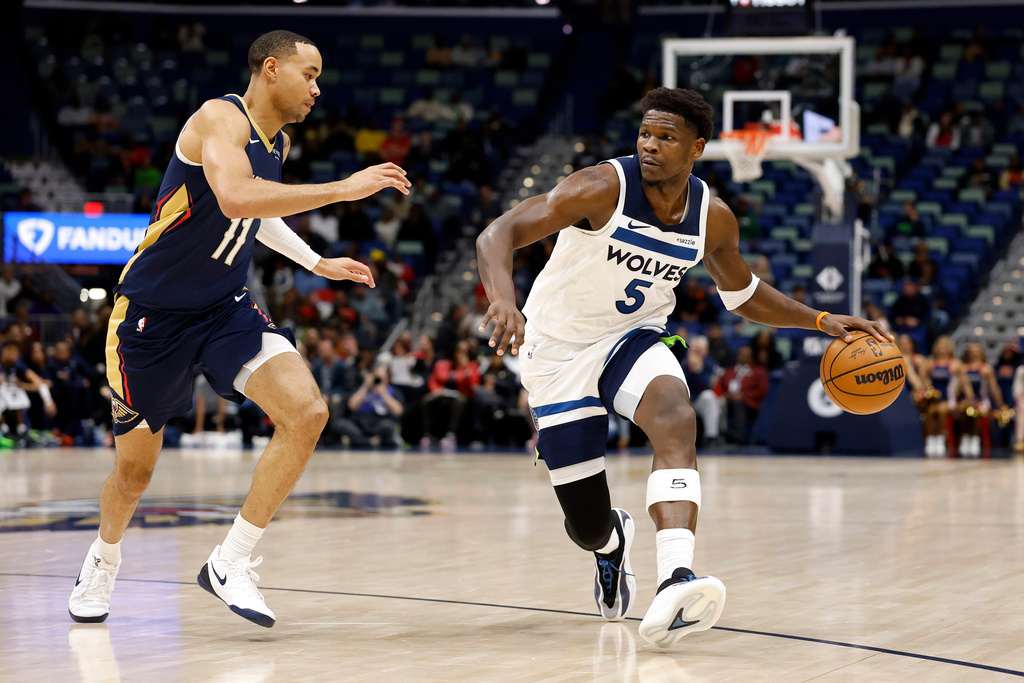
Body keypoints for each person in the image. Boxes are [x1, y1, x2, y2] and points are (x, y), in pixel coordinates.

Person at [475, 86, 889, 648]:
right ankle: (611, 547)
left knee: (675, 416)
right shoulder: (600, 186)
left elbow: (742, 294)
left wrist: (819, 320)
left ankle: (677, 575)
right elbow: (498, 232)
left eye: (666, 137)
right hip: (556, 351)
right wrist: (503, 298)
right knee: (586, 524)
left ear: (696, 148)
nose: (649, 145)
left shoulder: (712, 219)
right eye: (645, 133)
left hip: (632, 337)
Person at [68, 30, 411, 628]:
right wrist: (343, 189)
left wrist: (315, 263)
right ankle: (103, 557)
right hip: (151, 317)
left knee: (307, 412)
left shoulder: (274, 141)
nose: (317, 88)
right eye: (310, 74)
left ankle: (232, 559)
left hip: (224, 307)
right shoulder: (217, 119)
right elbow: (233, 197)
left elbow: (261, 210)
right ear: (272, 69)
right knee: (134, 473)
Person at [954, 343, 1005, 458]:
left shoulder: (986, 369)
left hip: (982, 400)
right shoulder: (963, 368)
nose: (974, 353)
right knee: (966, 409)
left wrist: (1000, 404)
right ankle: (966, 437)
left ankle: (975, 438)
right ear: (967, 353)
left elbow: (994, 388)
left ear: (981, 352)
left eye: (977, 350)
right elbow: (959, 388)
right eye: (971, 351)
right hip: (967, 400)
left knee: (976, 410)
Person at [920, 336, 959, 457]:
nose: (942, 349)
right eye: (940, 346)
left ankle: (942, 438)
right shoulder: (930, 363)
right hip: (935, 399)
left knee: (942, 411)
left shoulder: (955, 364)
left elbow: (962, 384)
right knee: (930, 411)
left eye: (945, 346)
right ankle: (931, 439)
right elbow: (924, 380)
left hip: (949, 399)